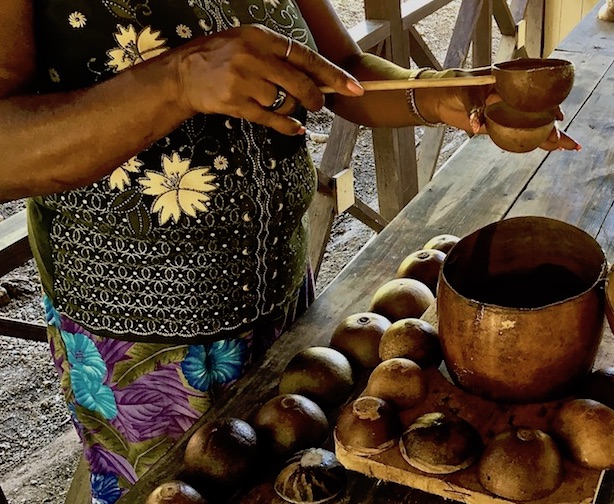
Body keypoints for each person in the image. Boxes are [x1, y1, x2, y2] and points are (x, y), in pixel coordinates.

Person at [0, 0, 580, 501]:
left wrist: (434, 94)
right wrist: (176, 81)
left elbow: (342, 70)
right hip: (141, 340)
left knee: (299, 479)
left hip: (284, 299)